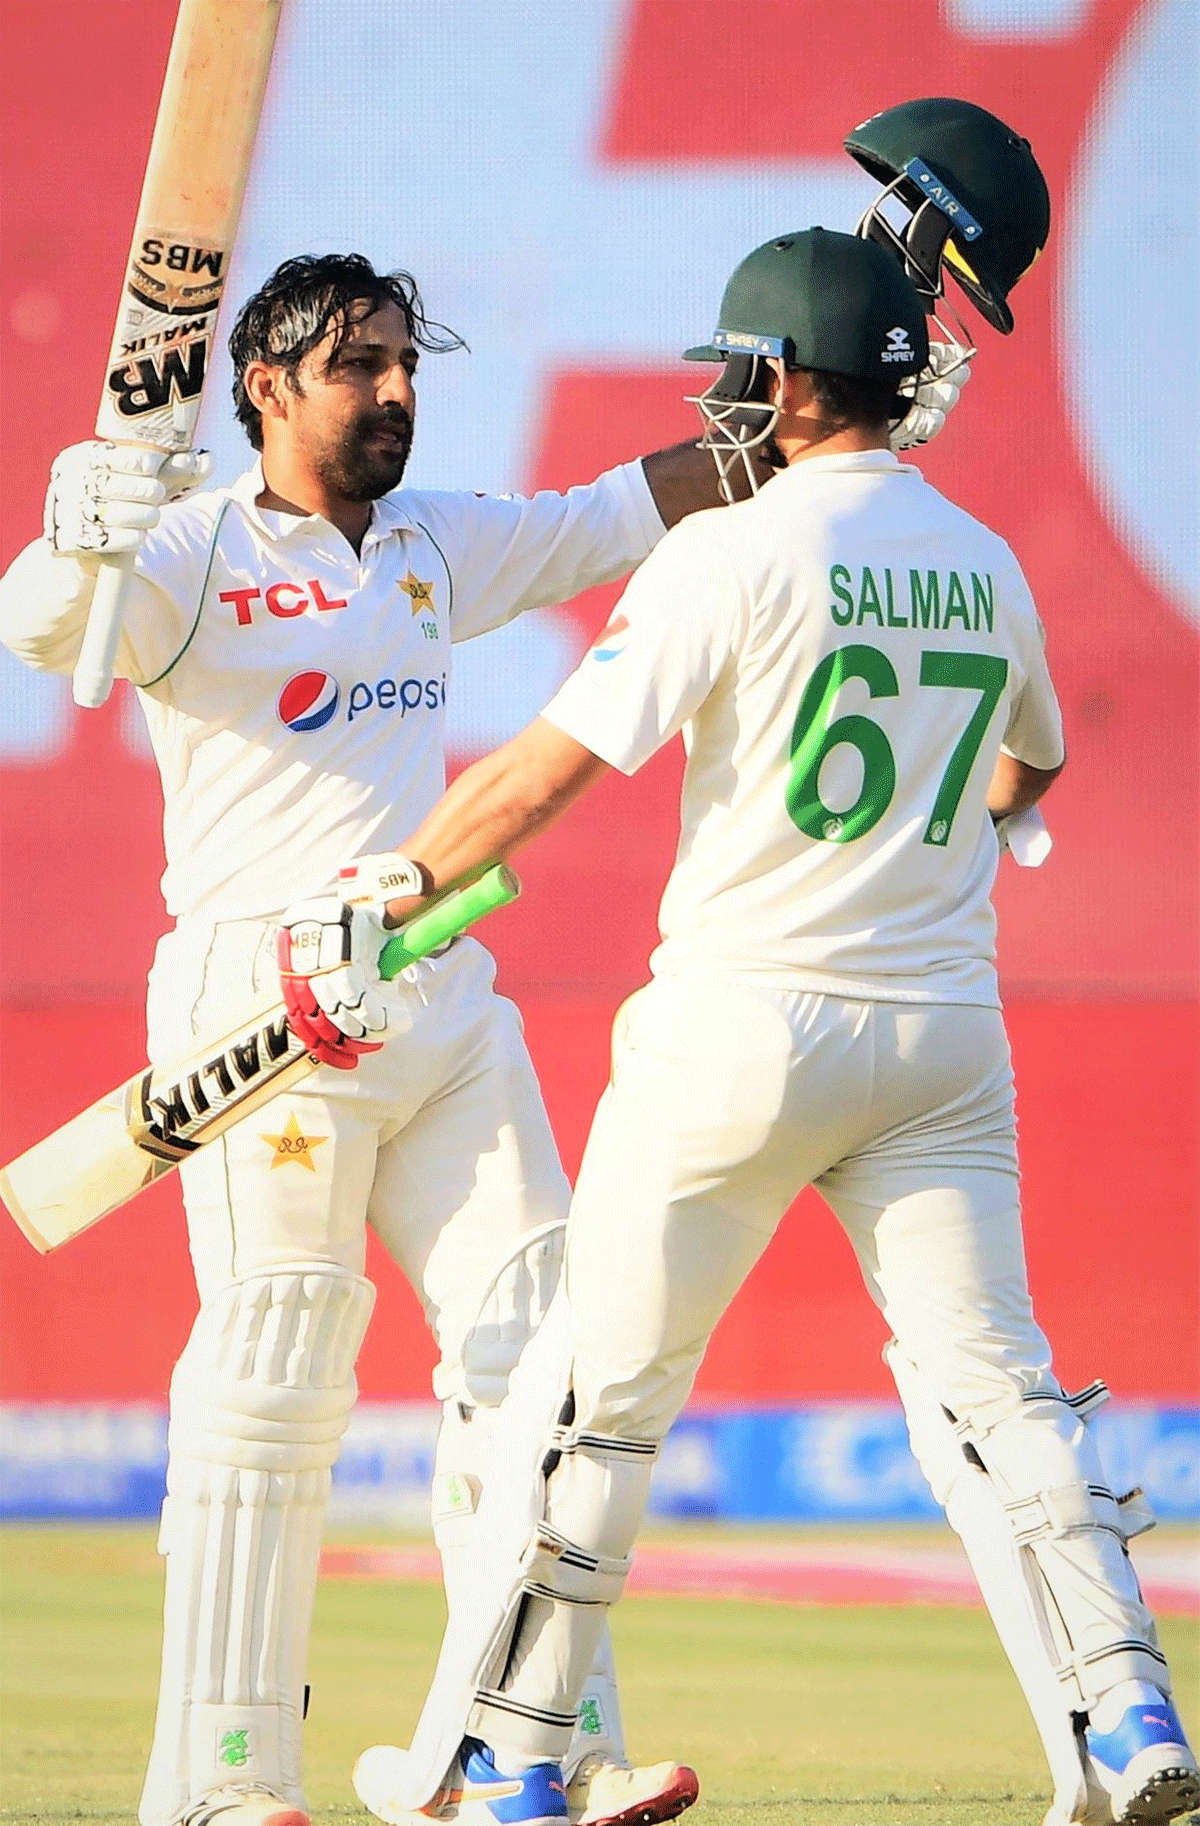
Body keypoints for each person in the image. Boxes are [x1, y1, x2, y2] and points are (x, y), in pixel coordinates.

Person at [301, 229, 1199, 1826]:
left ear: (784, 382)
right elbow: (1029, 770)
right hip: (939, 1037)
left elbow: (546, 773)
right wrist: (939, 834)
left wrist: (385, 883)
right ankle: (1130, 1716)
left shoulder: (730, 552)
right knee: (1001, 1394)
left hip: (741, 1025)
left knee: (596, 1404)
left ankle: (509, 1765)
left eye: (741, 368)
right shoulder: (985, 558)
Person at [0, 250, 760, 1826]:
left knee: (546, 1352)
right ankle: (219, 1778)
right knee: (277, 1359)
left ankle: (527, 1753)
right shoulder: (193, 544)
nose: (399, 391)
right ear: (266, 386)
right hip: (260, 1000)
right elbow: (54, 634)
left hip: (431, 979)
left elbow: (614, 511)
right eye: (361, 365)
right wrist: (76, 539)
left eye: (408, 362)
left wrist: (780, 429)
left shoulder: (429, 537)